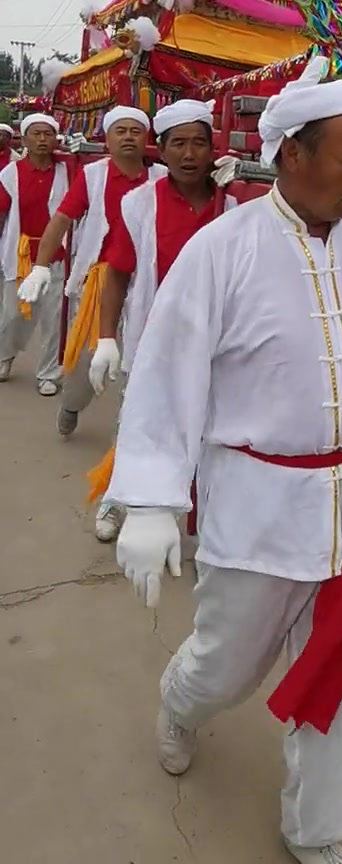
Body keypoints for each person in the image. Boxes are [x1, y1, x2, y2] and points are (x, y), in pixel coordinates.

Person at [102, 58, 342, 864]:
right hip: (257, 503)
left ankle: (316, 832)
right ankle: (180, 701)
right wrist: (148, 501)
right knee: (226, 666)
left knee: (337, 674)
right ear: (292, 154)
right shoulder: (225, 250)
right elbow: (169, 373)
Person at [88, 98, 234, 543]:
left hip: (221, 340)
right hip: (157, 336)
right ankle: (118, 501)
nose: (189, 155)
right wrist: (106, 339)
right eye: (178, 145)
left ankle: (212, 520)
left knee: (216, 432)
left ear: (214, 149)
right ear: (162, 150)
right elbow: (118, 273)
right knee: (139, 422)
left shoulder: (236, 199)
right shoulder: (139, 204)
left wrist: (249, 184)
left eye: (198, 144)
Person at [17, 105, 165, 437]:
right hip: (97, 284)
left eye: (135, 131)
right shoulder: (94, 175)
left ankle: (129, 436)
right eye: (120, 131)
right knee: (85, 363)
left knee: (142, 361)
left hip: (146, 284)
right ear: (108, 139)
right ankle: (72, 404)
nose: (128, 137)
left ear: (147, 138)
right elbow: (62, 219)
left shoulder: (162, 178)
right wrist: (41, 266)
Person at [0, 114, 68, 395]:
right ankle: (5, 357)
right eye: (36, 134)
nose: (42, 139)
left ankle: (49, 373)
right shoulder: (10, 173)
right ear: (24, 139)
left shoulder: (68, 171)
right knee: (13, 315)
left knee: (53, 318)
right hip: (22, 252)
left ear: (56, 139)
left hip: (58, 254)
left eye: (48, 134)